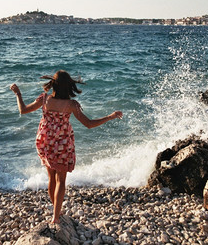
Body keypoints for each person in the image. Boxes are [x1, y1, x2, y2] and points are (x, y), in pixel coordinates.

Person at [10, 70, 123, 224]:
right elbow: (89, 124)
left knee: (51, 178)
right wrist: (110, 116)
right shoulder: (71, 105)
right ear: (69, 86)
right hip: (62, 144)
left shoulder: (44, 99)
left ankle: (56, 211)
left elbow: (23, 110)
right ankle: (56, 217)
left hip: (45, 142)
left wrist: (18, 94)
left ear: (53, 84)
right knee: (61, 181)